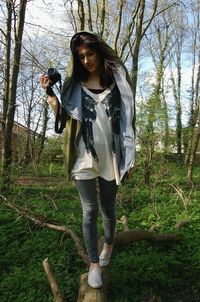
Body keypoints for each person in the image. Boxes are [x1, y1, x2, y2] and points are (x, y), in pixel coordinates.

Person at [40, 31, 136, 289]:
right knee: (89, 210)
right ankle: (93, 262)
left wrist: (131, 154)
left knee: (107, 207)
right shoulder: (75, 86)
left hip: (111, 156)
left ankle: (108, 245)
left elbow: (127, 120)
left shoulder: (117, 83)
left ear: (99, 52)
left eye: (89, 53)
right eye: (80, 56)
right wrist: (50, 95)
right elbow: (66, 116)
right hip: (84, 155)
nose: (85, 60)